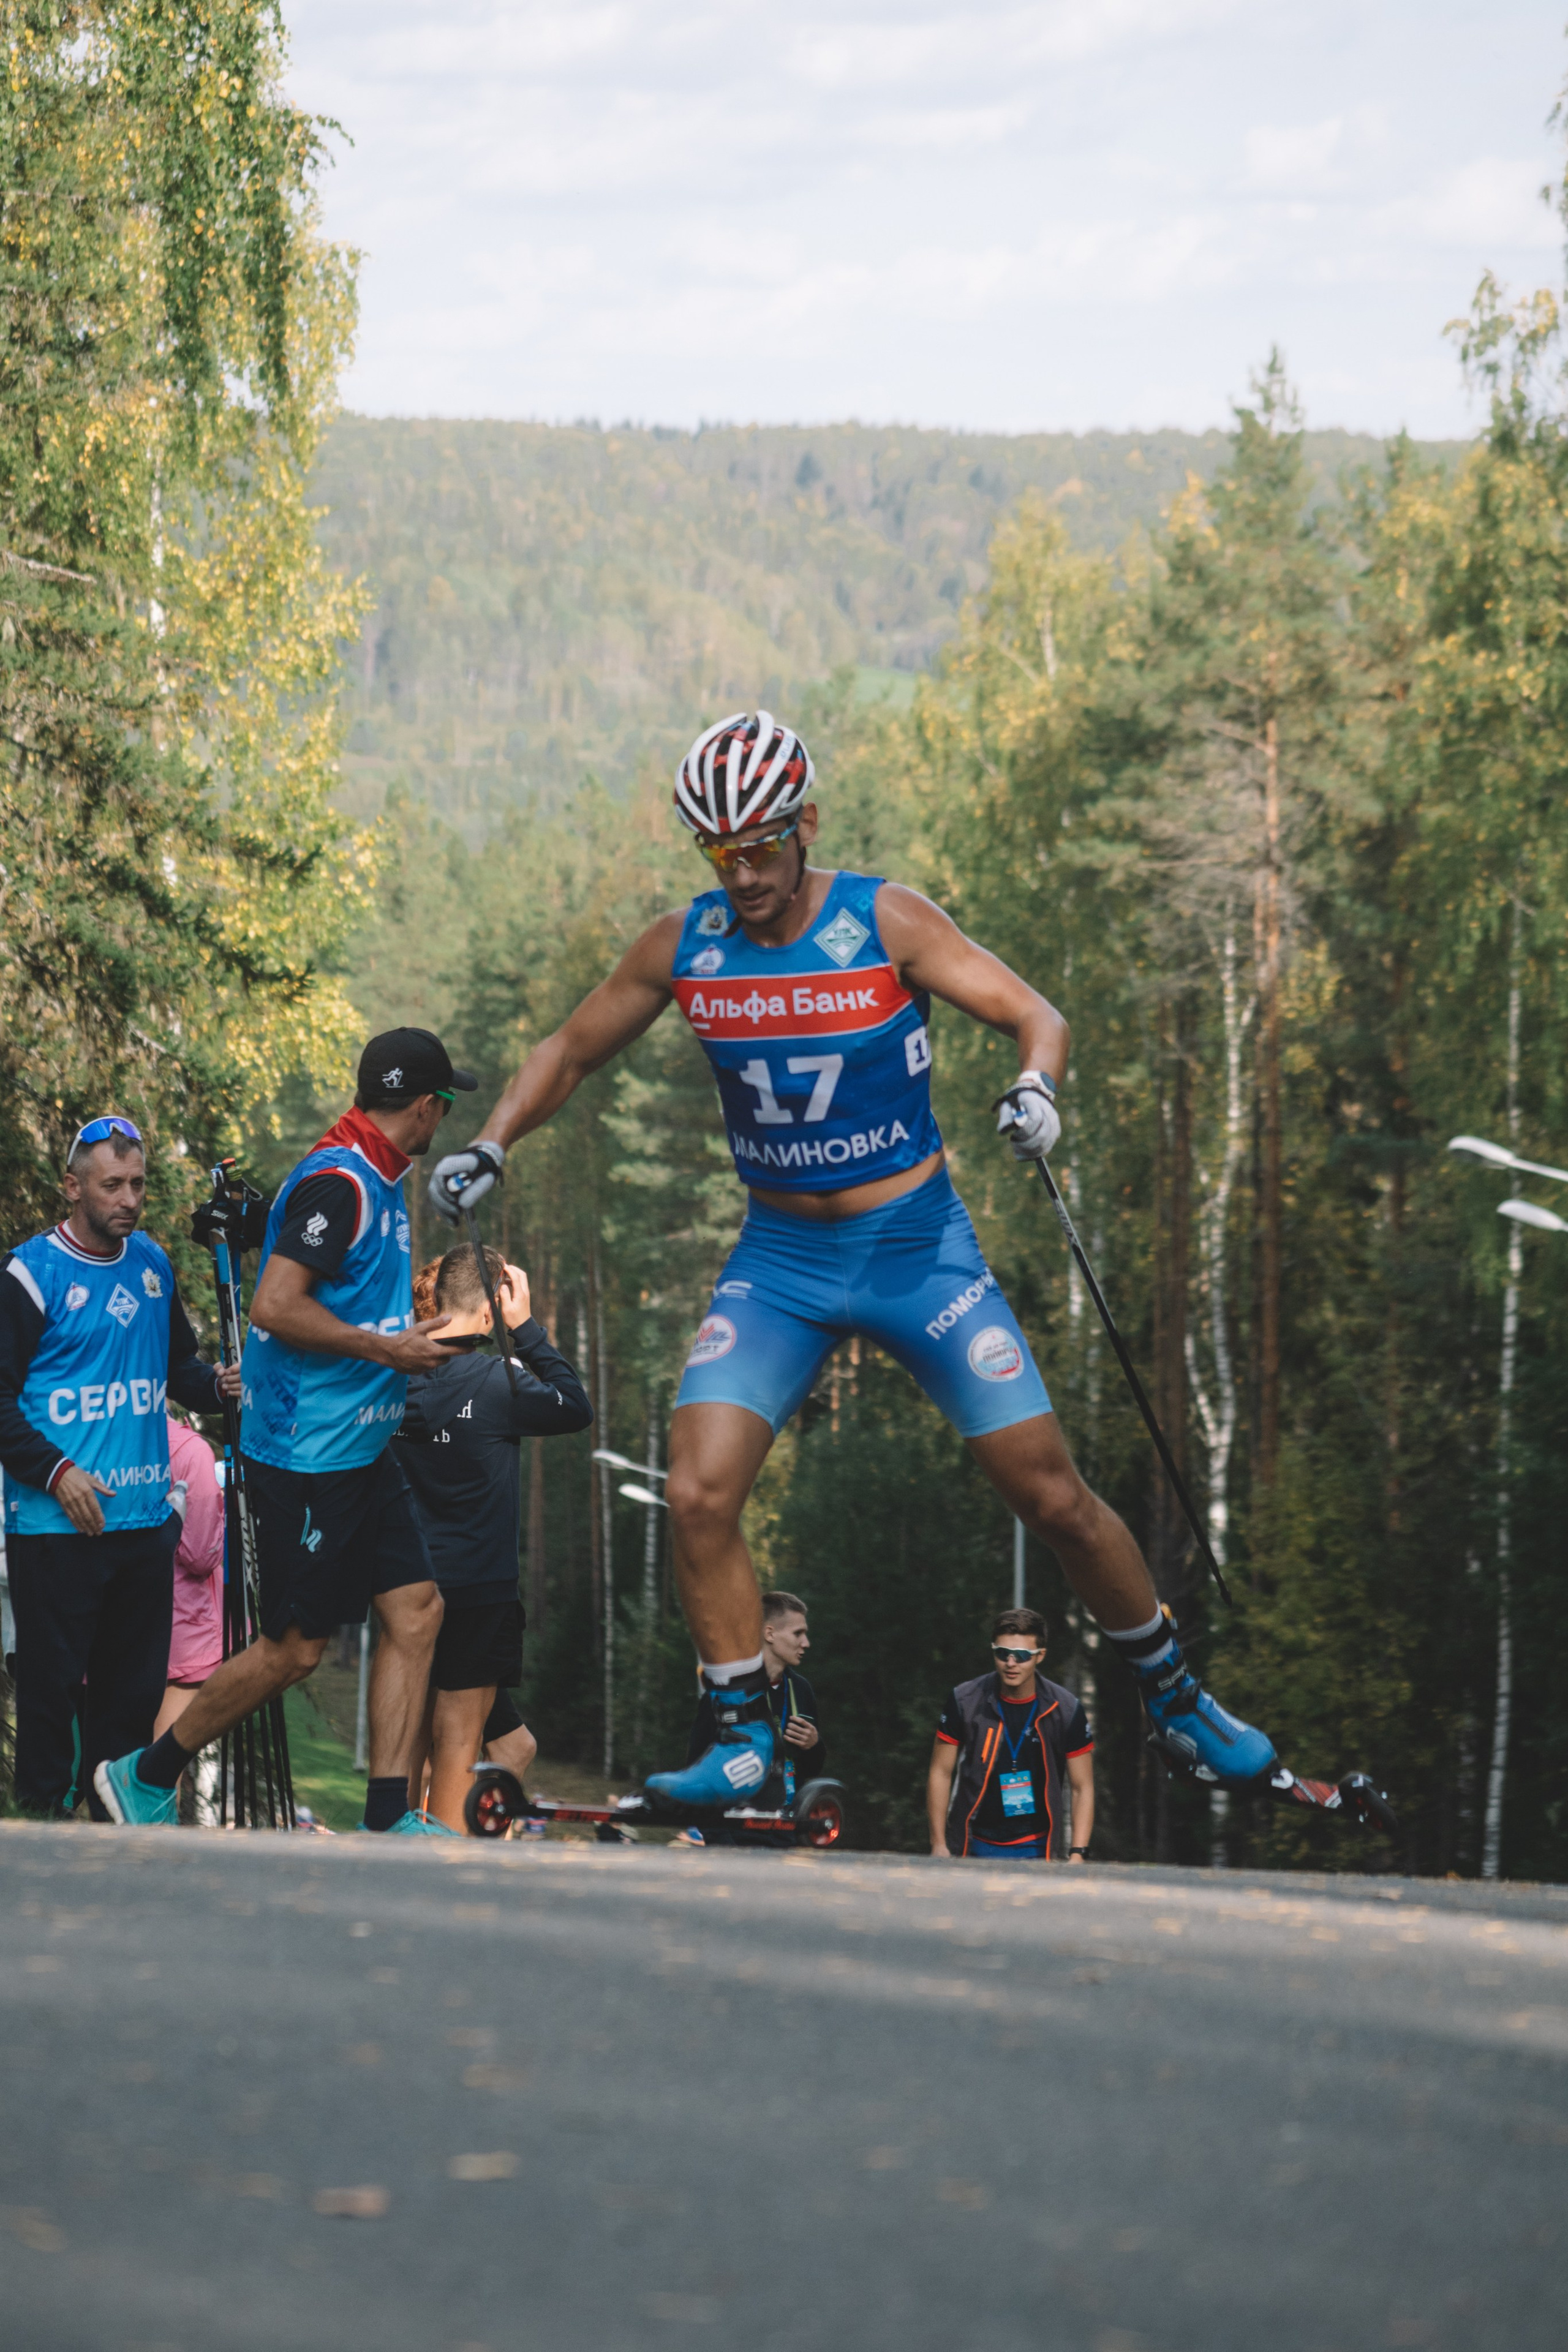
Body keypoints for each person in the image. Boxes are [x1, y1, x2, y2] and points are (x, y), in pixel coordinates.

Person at [429, 711, 1277, 1809]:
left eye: (763, 846)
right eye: (720, 853)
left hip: (915, 1247)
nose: (744, 875)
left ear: (807, 825)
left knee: (1052, 1497)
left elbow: (1036, 1013)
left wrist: (1036, 1089)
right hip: (781, 1257)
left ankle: (1176, 1695)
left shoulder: (885, 919)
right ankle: (745, 1735)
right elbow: (569, 1049)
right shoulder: (685, 944)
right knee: (695, 1491)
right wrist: (495, 1140)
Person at [94, 1029, 472, 1831]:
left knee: (418, 1611)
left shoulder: (375, 1172)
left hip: (361, 1451)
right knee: (296, 1651)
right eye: (445, 1104)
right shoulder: (345, 1181)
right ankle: (144, 1774)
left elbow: (329, 1273)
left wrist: (404, 1334)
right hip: (308, 1460)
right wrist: (389, 1349)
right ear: (427, 1106)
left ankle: (387, 1817)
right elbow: (275, 1306)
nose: (443, 1118)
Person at [0, 1117, 239, 1817]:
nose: (129, 1199)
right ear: (72, 1187)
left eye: (137, 1184)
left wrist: (216, 1387)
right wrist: (56, 1471)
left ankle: (107, 1840)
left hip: (142, 1528)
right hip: (54, 1525)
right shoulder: (28, 1274)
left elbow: (176, 1371)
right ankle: (39, 1842)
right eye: (112, 1185)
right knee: (50, 1696)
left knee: (129, 1705)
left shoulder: (154, 1265)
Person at [396, 1242, 592, 1831]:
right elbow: (573, 1405)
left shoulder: (392, 1378)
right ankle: (448, 1867)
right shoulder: (498, 1381)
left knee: (407, 1739)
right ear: (490, 1311)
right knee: (458, 1741)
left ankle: (389, 1854)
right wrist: (526, 1329)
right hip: (479, 1592)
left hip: (405, 1585)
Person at [926, 1608, 1095, 1862]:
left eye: (1022, 1656)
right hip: (973, 1846)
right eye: (1003, 1654)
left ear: (1040, 1656)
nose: (1011, 1663)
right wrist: (938, 1843)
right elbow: (940, 1772)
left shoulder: (1066, 1709)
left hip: (1039, 1849)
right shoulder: (965, 1700)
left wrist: (1078, 1854)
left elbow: (1082, 1787)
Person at [685, 1588, 826, 1807]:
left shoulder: (801, 1689)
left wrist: (814, 1746)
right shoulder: (727, 1691)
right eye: (798, 1634)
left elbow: (813, 1769)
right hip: (733, 1831)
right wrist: (719, 1836)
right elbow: (696, 1765)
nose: (806, 1643)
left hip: (784, 1832)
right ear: (769, 1634)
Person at [157, 1414, 225, 1818]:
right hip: (183, 1636)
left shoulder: (101, 1433)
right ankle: (151, 1861)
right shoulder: (189, 1451)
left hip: (113, 1626)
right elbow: (200, 1554)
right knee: (159, 1769)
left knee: (106, 1758)